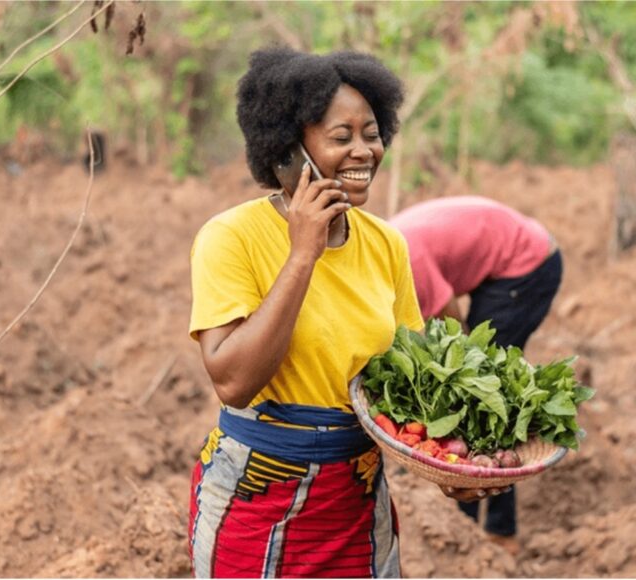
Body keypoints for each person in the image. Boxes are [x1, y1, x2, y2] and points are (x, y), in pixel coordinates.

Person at [186, 47, 498, 579]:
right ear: (288, 152)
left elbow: (407, 380)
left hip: (355, 501)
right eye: (340, 137)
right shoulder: (230, 238)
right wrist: (302, 253)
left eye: (371, 134)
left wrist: (450, 461)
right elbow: (233, 382)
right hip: (256, 500)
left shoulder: (386, 245)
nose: (363, 151)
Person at [390, 195, 563, 554]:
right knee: (476, 393)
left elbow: (451, 323)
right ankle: (473, 521)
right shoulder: (388, 246)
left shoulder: (403, 260)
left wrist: (461, 373)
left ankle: (496, 531)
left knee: (485, 398)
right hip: (509, 255)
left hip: (529, 264)